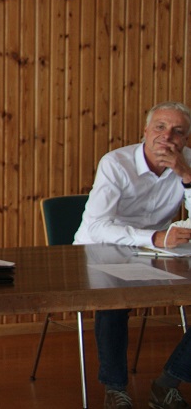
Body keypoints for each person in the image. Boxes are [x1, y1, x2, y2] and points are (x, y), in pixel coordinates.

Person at [73, 100, 191, 409]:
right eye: (160, 127)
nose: (167, 137)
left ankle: (167, 384)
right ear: (145, 132)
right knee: (113, 302)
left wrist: (187, 177)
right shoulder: (116, 162)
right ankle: (115, 390)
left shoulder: (188, 163)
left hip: (155, 252)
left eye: (177, 131)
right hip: (99, 250)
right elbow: (98, 226)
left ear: (186, 139)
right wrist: (153, 236)